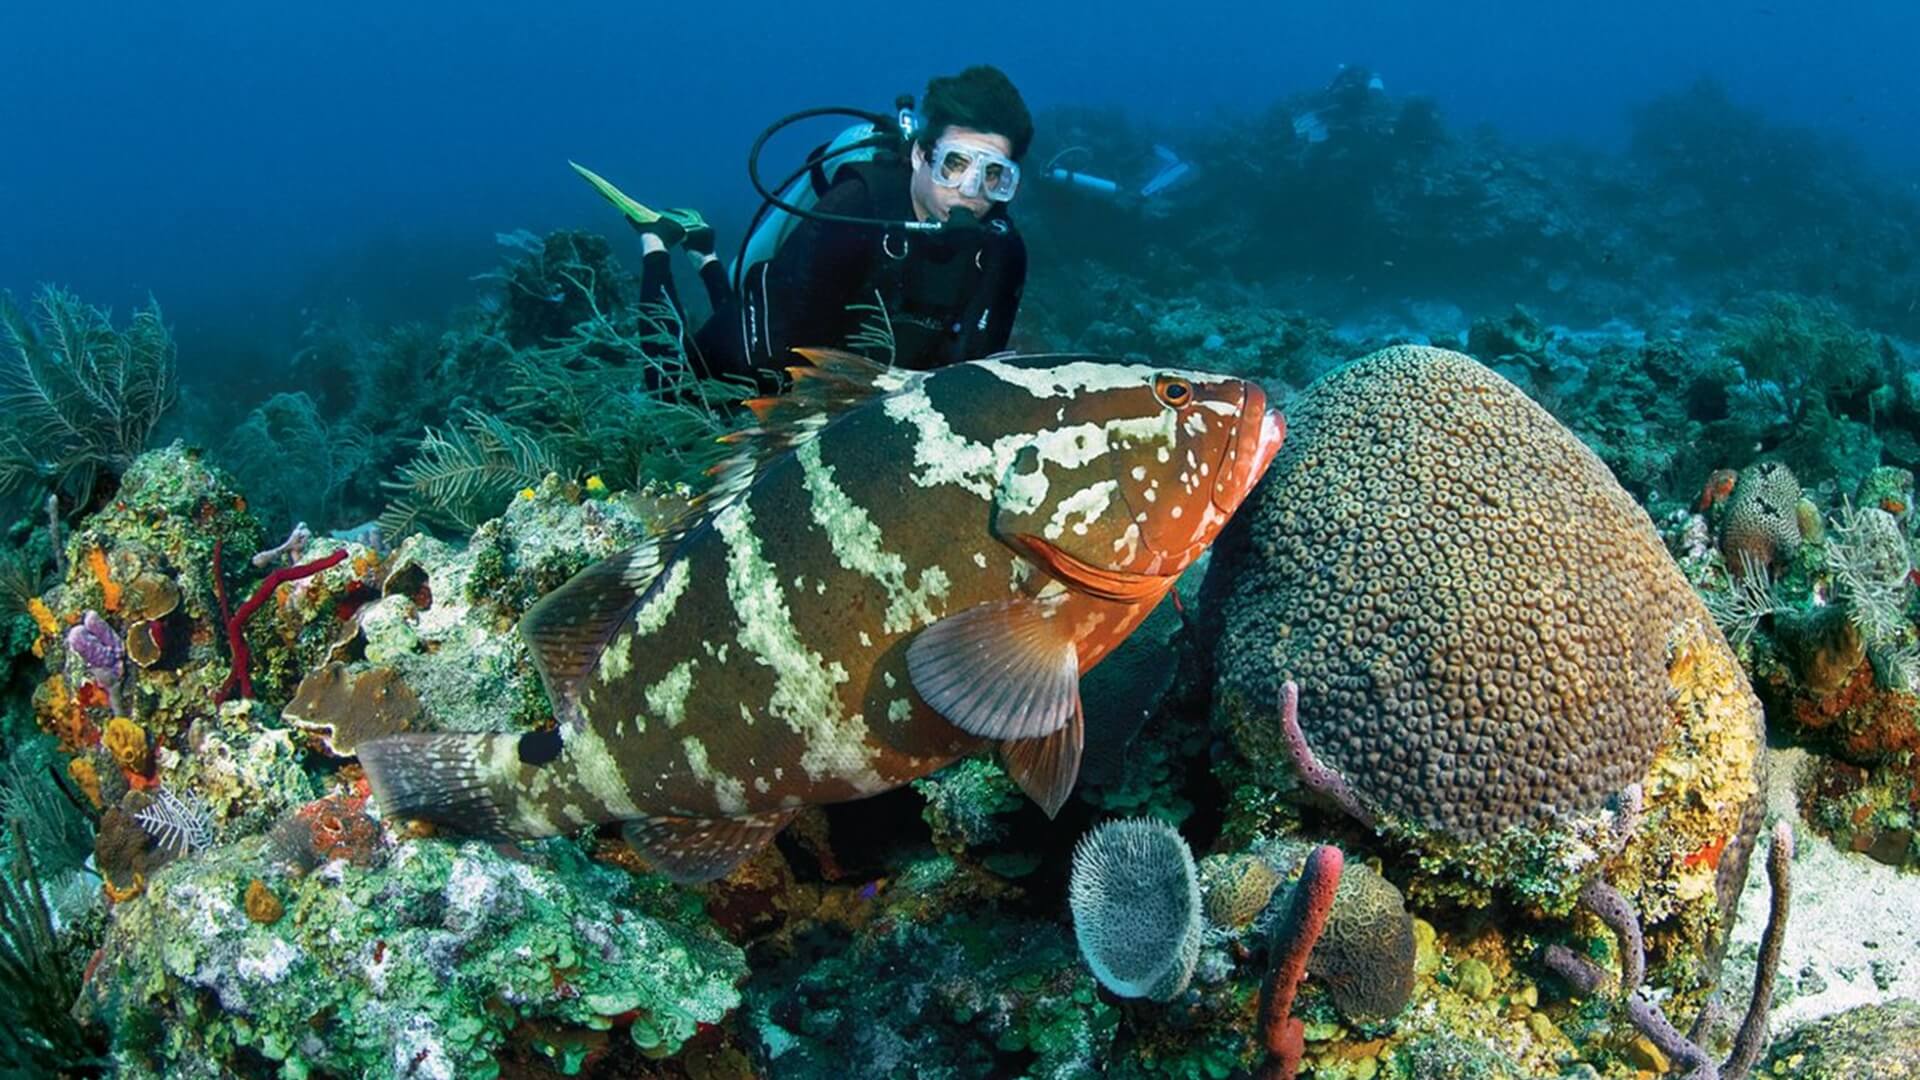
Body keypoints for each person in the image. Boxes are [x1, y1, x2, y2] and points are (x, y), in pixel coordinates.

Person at [618, 65, 1033, 384]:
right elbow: (790, 343)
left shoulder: (1003, 252)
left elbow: (974, 371)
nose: (970, 190)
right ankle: (656, 238)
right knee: (670, 388)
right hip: (775, 355)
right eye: (955, 164)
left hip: (865, 395)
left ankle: (703, 249)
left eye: (993, 174)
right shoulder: (853, 210)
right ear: (921, 156)